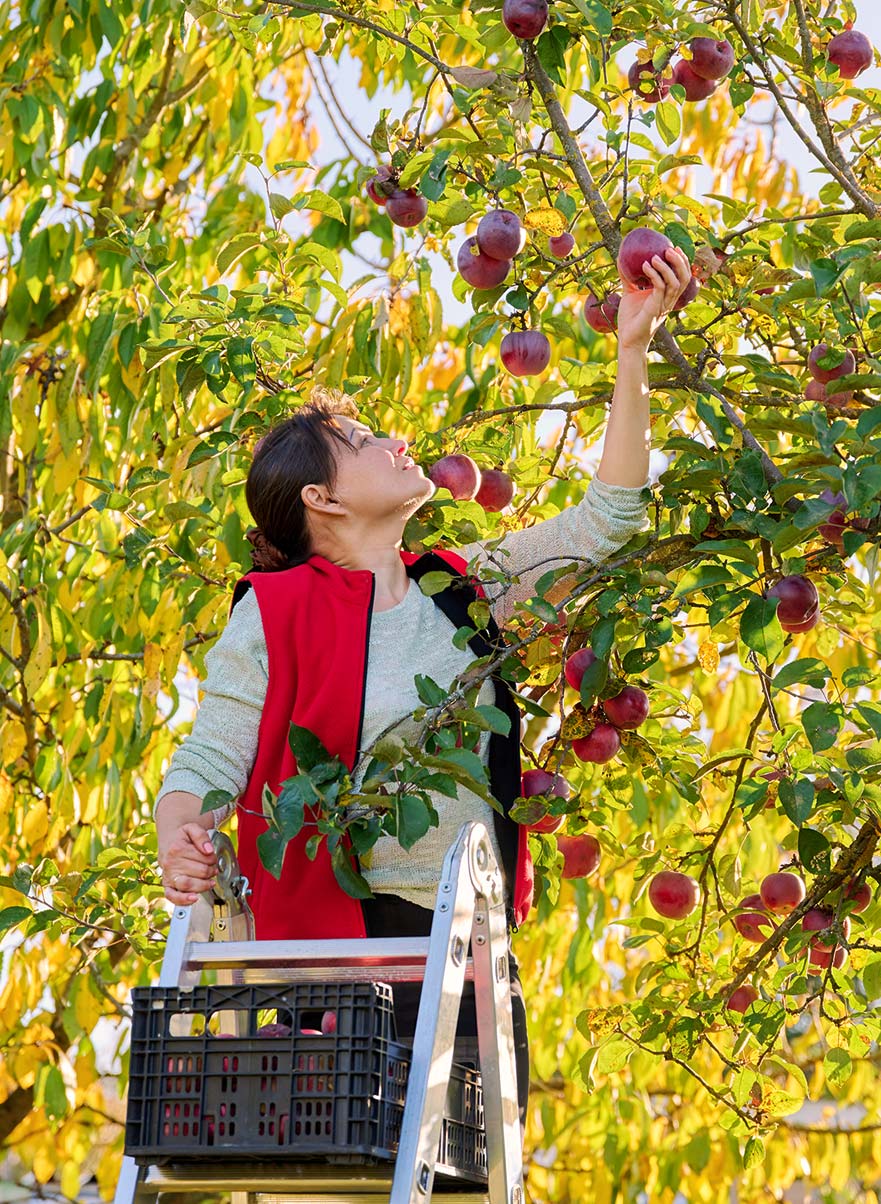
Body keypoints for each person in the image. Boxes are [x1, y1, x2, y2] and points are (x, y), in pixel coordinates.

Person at [153, 246, 693, 1125]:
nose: (396, 442)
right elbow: (207, 758)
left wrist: (632, 351)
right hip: (340, 950)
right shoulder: (276, 611)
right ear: (321, 500)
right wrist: (184, 840)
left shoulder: (461, 587)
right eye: (364, 442)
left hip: (468, 947)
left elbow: (607, 520)